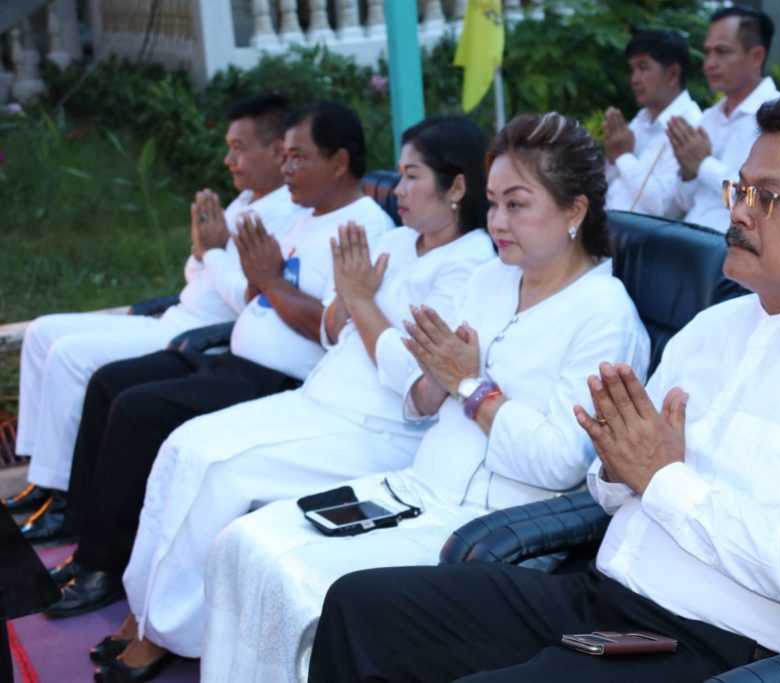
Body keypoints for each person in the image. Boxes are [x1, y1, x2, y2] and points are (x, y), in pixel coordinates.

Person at [306, 95, 780, 683]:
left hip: (717, 651)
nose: (740, 211)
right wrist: (619, 467)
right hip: (602, 601)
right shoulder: (712, 327)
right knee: (360, 605)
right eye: (740, 187)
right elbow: (611, 489)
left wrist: (665, 479)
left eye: (769, 199)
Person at [199, 112, 651, 683]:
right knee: (241, 545)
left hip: (491, 530)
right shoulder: (489, 280)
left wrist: (472, 386)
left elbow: (562, 461)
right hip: (415, 488)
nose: (497, 221)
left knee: (301, 585)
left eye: (517, 204)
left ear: (575, 211)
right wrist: (440, 379)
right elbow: (419, 401)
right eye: (492, 204)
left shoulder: (605, 316)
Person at [81, 115, 495, 680]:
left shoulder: (470, 265)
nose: (396, 191)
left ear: (456, 188)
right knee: (185, 442)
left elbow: (417, 377)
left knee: (219, 468)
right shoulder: (397, 241)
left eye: (411, 176)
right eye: (397, 176)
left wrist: (362, 302)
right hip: (321, 396)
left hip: (378, 428)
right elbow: (331, 330)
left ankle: (168, 631)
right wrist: (347, 302)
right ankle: (147, 608)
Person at [41, 101, 394, 620]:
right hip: (230, 356)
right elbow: (255, 292)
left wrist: (268, 280)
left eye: (298, 158)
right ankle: (84, 532)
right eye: (285, 158)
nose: (287, 169)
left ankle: (104, 566)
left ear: (339, 161)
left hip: (280, 379)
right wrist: (247, 271)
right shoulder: (302, 218)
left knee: (140, 411)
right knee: (111, 381)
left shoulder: (362, 227)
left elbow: (333, 325)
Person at [7, 94, 299, 533]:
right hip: (175, 315)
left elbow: (250, 299)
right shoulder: (242, 203)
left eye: (239, 148)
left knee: (69, 355)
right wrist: (203, 249)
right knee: (42, 332)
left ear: (278, 151)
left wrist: (213, 251)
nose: (228, 160)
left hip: (202, 335)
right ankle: (44, 478)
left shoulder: (284, 213)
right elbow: (196, 270)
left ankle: (66, 499)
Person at [667, 6, 780, 233]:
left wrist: (703, 165)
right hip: (689, 239)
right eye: (707, 52)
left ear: (756, 56)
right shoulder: (709, 117)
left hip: (732, 251)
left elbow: (760, 203)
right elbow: (684, 204)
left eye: (722, 51)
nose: (709, 63)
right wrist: (688, 172)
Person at [603, 28, 702, 218]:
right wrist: (612, 156)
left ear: (673, 74)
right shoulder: (640, 120)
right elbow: (609, 185)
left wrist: (623, 156)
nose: (634, 80)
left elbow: (666, 207)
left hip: (644, 243)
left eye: (643, 68)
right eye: (632, 69)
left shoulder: (691, 125)